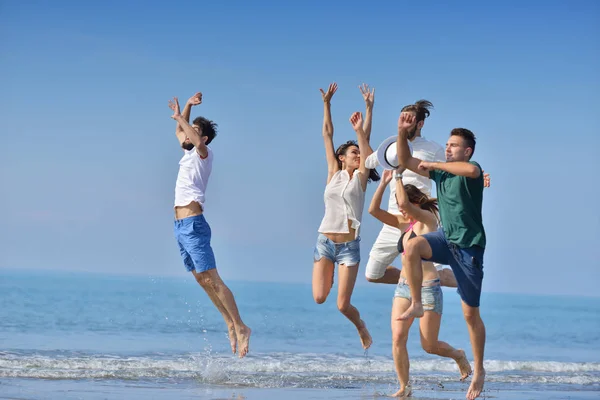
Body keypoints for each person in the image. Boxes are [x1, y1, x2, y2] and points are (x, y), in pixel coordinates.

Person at [396, 112, 488, 399]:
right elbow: (408, 160)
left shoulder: (471, 169)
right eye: (447, 144)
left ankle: (481, 369)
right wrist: (402, 133)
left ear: (467, 151)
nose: (448, 148)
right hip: (446, 239)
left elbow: (472, 172)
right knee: (412, 246)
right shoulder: (440, 171)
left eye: (454, 146)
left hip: (469, 247)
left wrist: (436, 164)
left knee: (470, 315)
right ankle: (417, 304)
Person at [368, 169, 472, 398]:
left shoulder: (428, 221)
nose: (400, 207)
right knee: (397, 337)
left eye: (402, 203)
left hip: (428, 289)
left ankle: (458, 354)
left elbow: (405, 201)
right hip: (403, 288)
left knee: (429, 346)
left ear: (415, 202)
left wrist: (397, 176)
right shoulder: (404, 224)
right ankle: (405, 387)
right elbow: (373, 210)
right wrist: (383, 183)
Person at [168, 93, 251, 358]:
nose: (187, 134)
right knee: (201, 279)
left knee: (213, 279)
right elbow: (180, 131)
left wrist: (183, 117)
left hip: (193, 224)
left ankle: (241, 326)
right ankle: (228, 322)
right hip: (180, 226)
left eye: (195, 132)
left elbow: (187, 132)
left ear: (203, 138)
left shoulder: (205, 153)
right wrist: (188, 108)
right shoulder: (188, 153)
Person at [312, 83, 379, 349]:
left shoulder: (361, 177)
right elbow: (327, 134)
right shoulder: (333, 172)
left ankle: (360, 325)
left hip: (349, 247)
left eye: (360, 154)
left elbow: (366, 143)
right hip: (325, 243)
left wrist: (368, 111)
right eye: (354, 153)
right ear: (342, 158)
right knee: (319, 298)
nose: (358, 156)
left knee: (342, 305)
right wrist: (326, 104)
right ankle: (328, 275)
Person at [364, 100, 457, 288]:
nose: (405, 123)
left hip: (420, 221)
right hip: (393, 219)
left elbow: (452, 173)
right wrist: (362, 128)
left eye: (409, 120)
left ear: (420, 124)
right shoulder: (392, 146)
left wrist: (478, 178)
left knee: (435, 274)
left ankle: (465, 279)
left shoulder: (433, 149)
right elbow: (368, 163)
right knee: (372, 274)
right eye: (402, 119)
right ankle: (411, 278)